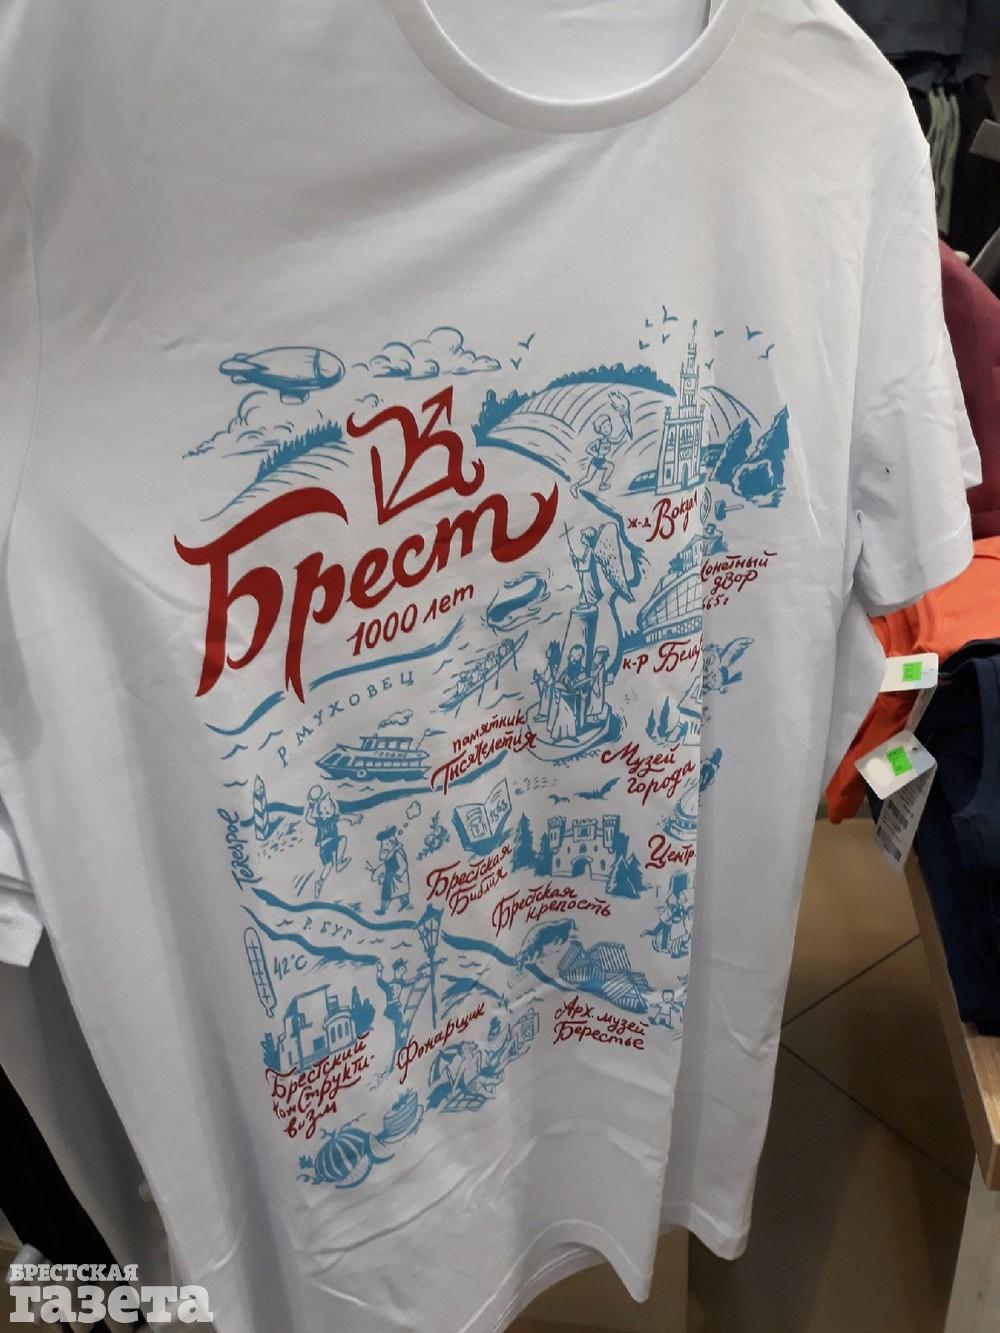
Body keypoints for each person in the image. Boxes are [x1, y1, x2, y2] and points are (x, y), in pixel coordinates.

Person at [305, 786, 361, 897]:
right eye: (323, 811)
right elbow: (308, 819)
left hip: (332, 843)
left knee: (340, 844)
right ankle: (327, 875)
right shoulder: (319, 821)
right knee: (330, 862)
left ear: (333, 810)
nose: (326, 813)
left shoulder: (333, 818)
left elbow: (344, 816)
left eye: (329, 809)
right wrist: (311, 805)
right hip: (325, 846)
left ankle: (334, 867)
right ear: (320, 812)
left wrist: (354, 817)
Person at [570, 410, 630, 498]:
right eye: (604, 427)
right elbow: (588, 449)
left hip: (602, 460)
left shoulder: (609, 440)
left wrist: (625, 429)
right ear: (600, 430)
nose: (607, 428)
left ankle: (602, 484)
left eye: (608, 425)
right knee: (588, 478)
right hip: (595, 461)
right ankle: (574, 486)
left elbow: (618, 440)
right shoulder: (599, 441)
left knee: (610, 467)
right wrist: (595, 454)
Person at [371, 826, 411, 914]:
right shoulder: (388, 849)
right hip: (389, 873)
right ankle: (383, 909)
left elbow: (403, 863)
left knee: (399, 891)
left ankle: (405, 902)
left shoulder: (397, 851)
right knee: (387, 892)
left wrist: (399, 874)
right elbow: (383, 858)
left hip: (396, 874)